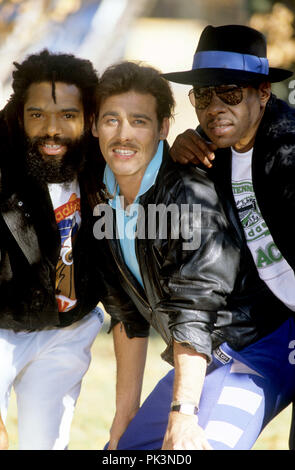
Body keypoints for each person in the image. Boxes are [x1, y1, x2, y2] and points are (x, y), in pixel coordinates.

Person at [92, 59, 295, 451]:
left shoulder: (188, 196)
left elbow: (194, 306)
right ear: (94, 125)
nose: (124, 134)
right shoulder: (103, 200)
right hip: (205, 352)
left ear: (162, 127)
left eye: (139, 121)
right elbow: (127, 314)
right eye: (111, 119)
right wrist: (124, 416)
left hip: (258, 346)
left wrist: (183, 413)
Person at [165, 24, 295, 449]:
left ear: (262, 94)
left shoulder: (288, 149)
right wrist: (175, 153)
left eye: (231, 94)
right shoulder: (209, 151)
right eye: (203, 96)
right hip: (261, 325)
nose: (215, 107)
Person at [0, 49, 106, 450]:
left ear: (88, 118)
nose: (51, 129)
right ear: (19, 114)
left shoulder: (101, 159)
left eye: (67, 115)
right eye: (37, 114)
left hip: (67, 330)